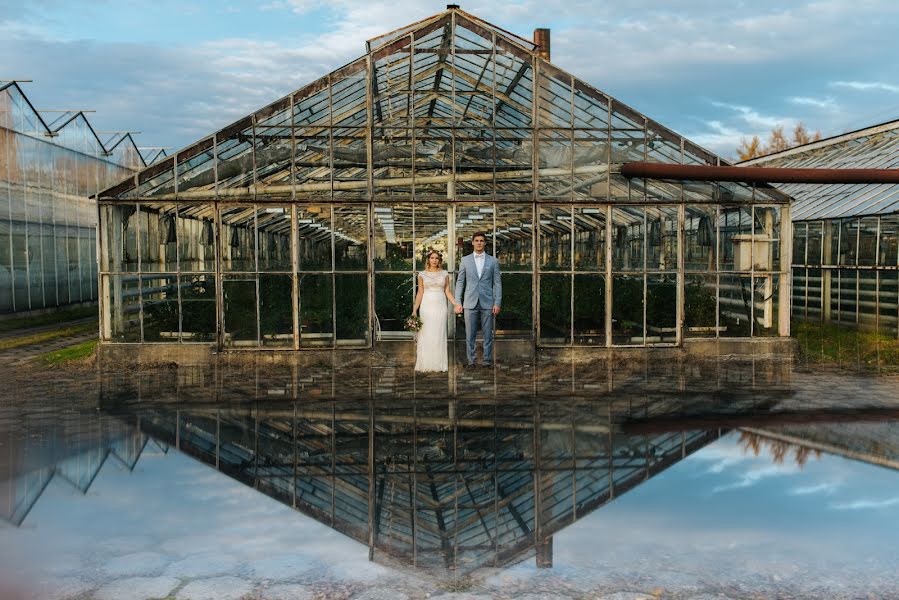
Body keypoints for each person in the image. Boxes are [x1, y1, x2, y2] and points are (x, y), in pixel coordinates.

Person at [454, 232, 502, 368]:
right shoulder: (465, 260)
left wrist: (497, 302)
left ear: (485, 243)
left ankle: (487, 361)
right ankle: (472, 362)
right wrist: (458, 301)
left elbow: (497, 283)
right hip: (470, 302)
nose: (479, 243)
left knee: (488, 334)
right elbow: (460, 282)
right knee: (470, 334)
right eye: (477, 240)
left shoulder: (493, 261)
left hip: (488, 302)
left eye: (482, 241)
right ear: (473, 242)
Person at [412, 250, 456, 372]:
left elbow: (447, 291)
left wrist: (456, 303)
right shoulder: (422, 274)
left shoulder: (444, 274)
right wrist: (415, 310)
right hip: (426, 306)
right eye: (432, 258)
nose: (434, 260)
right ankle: (425, 364)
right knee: (426, 333)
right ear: (428, 260)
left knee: (439, 334)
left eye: (437, 258)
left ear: (440, 260)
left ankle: (439, 364)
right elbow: (420, 293)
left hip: (440, 305)